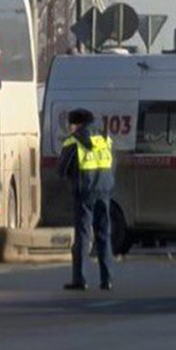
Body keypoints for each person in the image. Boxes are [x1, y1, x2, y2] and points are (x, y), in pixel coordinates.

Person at [59, 108, 115, 291]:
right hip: (104, 191)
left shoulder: (73, 141)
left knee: (83, 236)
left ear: (76, 124)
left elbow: (61, 170)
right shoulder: (105, 138)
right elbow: (112, 164)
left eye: (70, 123)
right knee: (104, 235)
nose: (69, 127)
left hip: (85, 193)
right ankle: (107, 279)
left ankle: (80, 279)